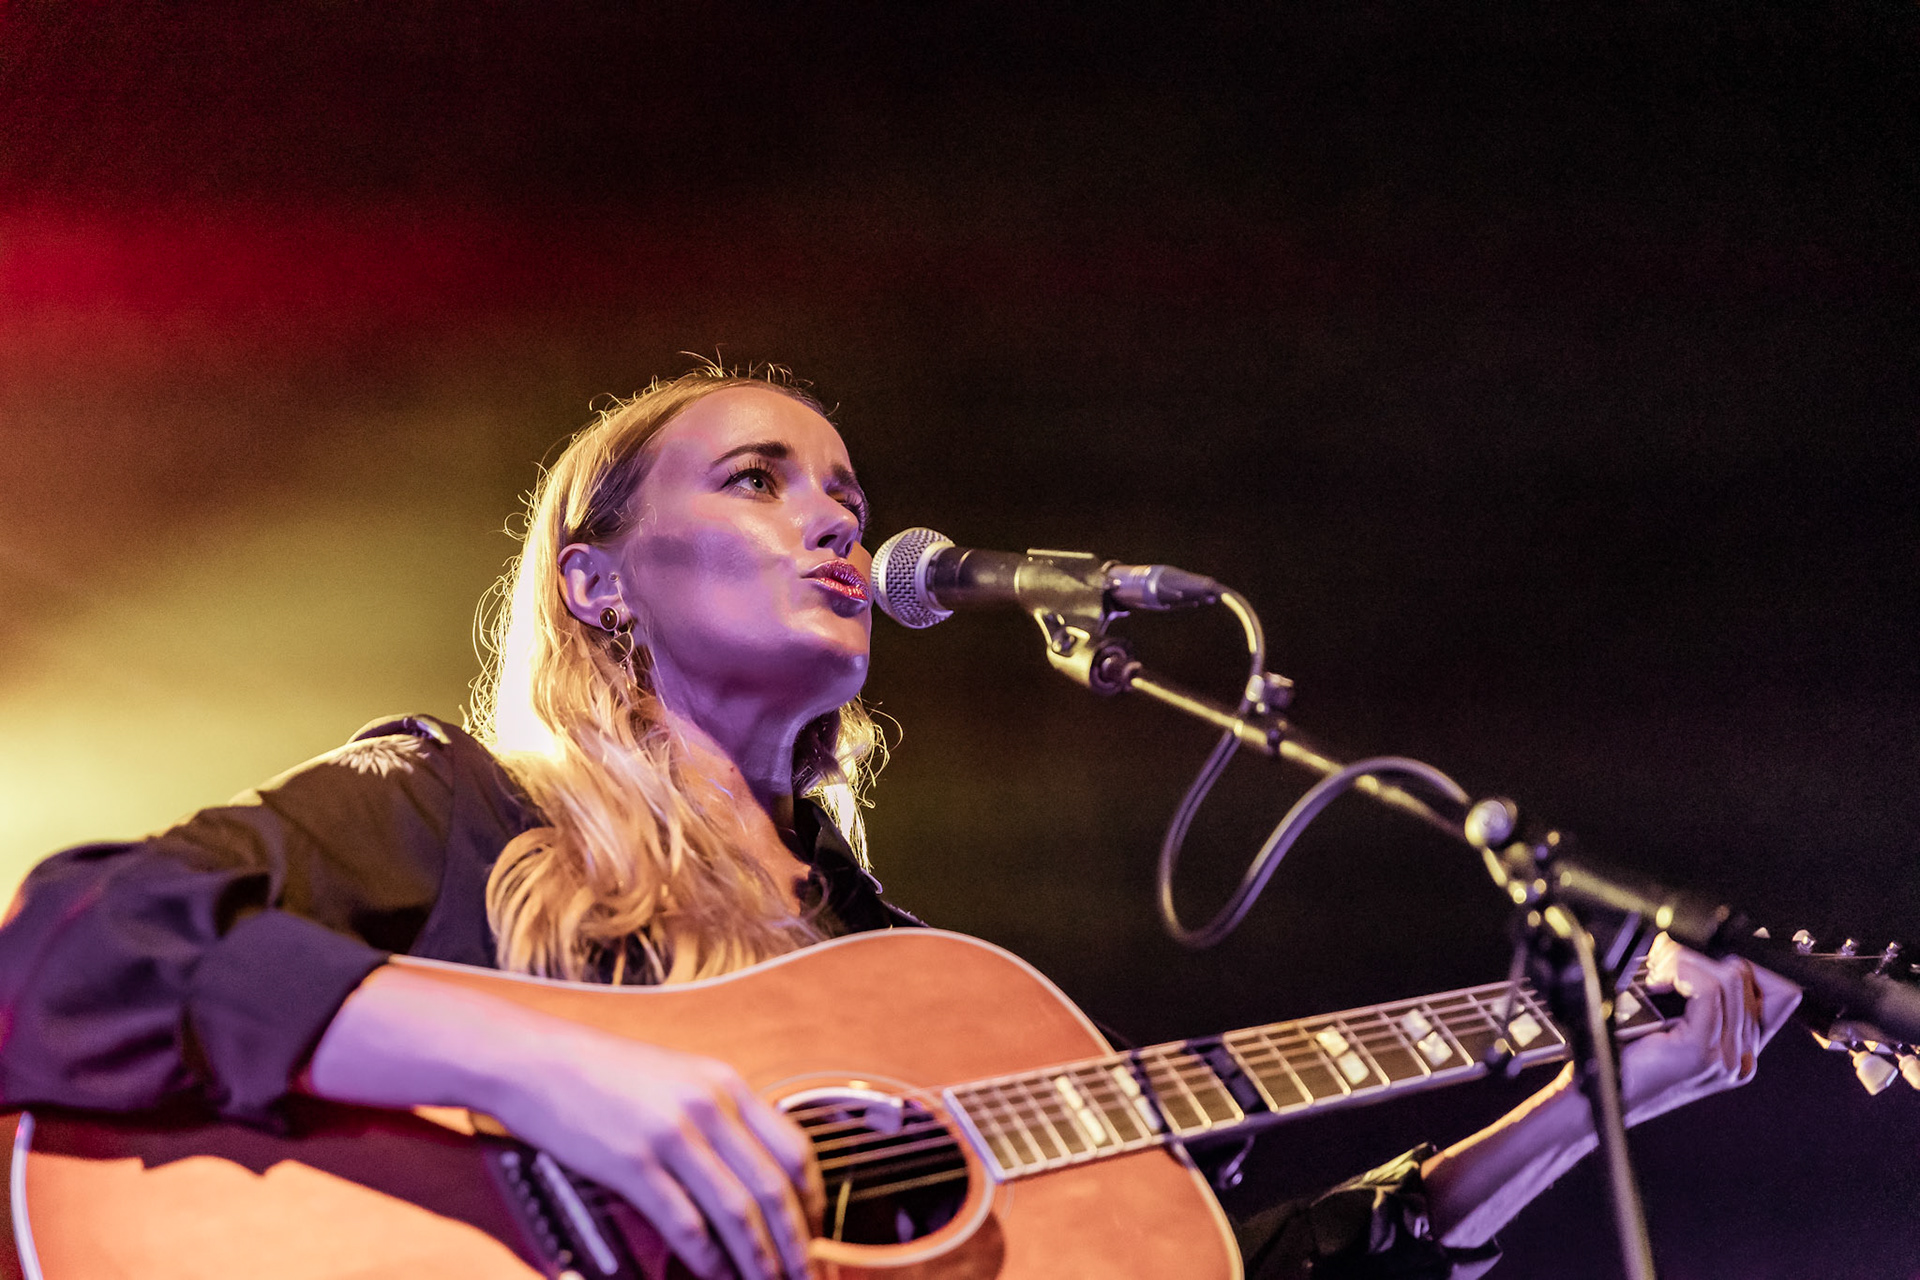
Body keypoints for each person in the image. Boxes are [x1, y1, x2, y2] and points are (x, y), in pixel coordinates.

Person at [0, 365, 1797, 1280]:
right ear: (599, 583)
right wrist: (553, 1075)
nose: (838, 525)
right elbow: (69, 952)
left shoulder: (900, 991)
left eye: (850, 494)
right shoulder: (458, 810)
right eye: (760, 480)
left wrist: (1595, 1094)